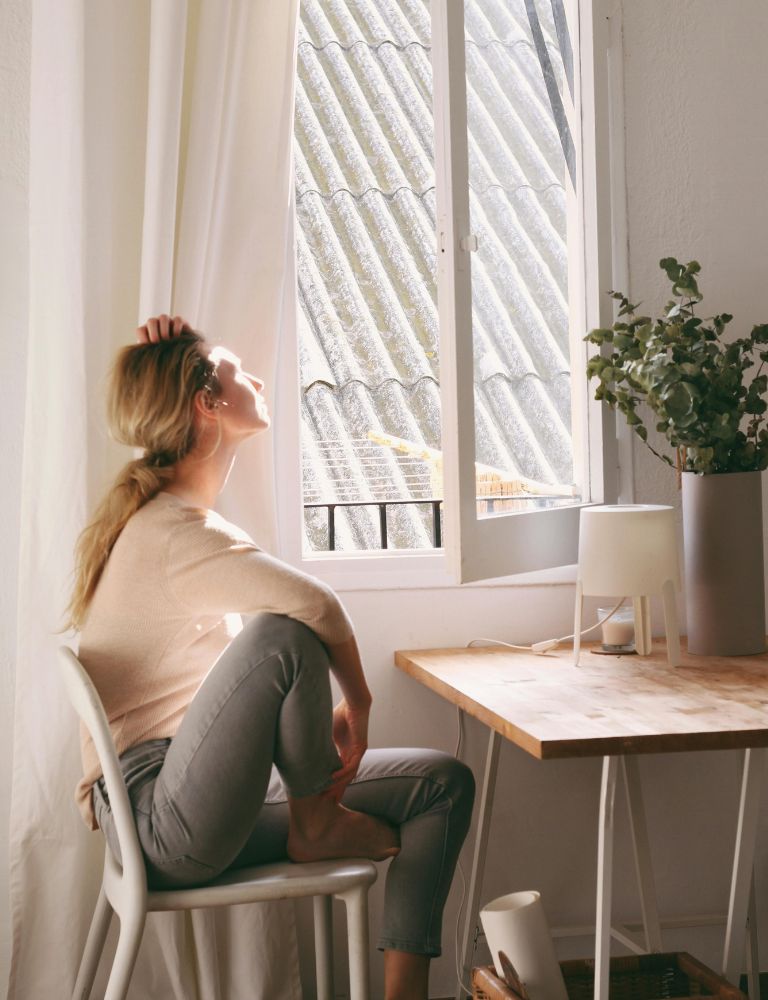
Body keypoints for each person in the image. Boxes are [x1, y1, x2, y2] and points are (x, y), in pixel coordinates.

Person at [67, 314, 475, 1000]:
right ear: (208, 404)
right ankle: (316, 820)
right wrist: (361, 705)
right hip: (162, 820)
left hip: (185, 797)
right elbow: (316, 606)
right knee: (283, 634)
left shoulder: (179, 522)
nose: (254, 376)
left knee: (443, 784)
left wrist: (188, 338)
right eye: (233, 368)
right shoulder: (170, 531)